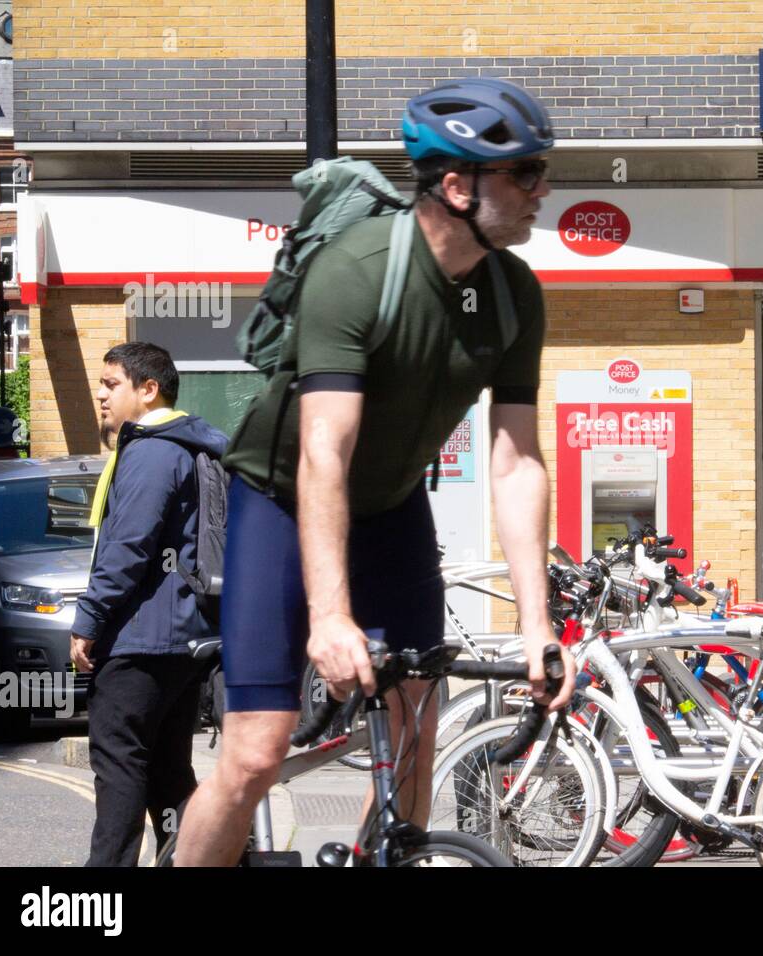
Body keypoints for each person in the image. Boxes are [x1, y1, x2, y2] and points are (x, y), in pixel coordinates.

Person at [173, 77, 575, 865]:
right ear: (457, 186)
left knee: (417, 727)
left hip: (392, 510)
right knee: (257, 751)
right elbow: (325, 453)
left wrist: (536, 623)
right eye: (525, 174)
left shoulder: (513, 293)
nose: (543, 190)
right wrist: (330, 616)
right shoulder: (356, 272)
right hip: (283, 504)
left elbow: (517, 459)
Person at [70, 341, 229, 866]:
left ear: (148, 389)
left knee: (119, 775)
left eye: (111, 384)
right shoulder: (191, 445)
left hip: (140, 641)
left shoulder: (153, 450)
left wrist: (89, 619)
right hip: (180, 640)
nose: (100, 395)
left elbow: (127, 548)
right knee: (167, 777)